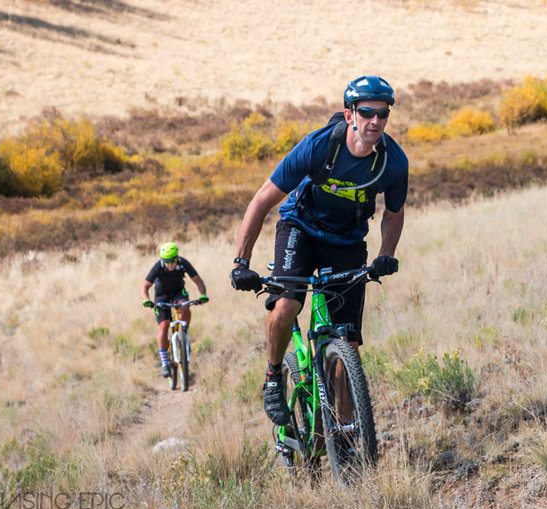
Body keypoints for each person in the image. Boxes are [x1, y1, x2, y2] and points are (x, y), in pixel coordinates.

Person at [230, 75, 408, 425]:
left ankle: (346, 433)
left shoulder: (393, 162)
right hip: (301, 228)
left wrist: (385, 254)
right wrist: (241, 261)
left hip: (346, 241)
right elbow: (263, 198)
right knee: (287, 304)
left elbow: (394, 212)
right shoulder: (319, 147)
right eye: (367, 112)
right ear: (349, 115)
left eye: (382, 114)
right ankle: (273, 375)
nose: (375, 121)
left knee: (348, 344)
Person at [142, 242, 208, 377]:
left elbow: (198, 280)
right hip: (162, 296)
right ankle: (165, 362)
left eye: (173, 260)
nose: (170, 263)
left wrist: (203, 295)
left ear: (177, 257)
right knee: (164, 326)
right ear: (162, 260)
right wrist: (147, 299)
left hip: (178, 292)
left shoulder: (183, 263)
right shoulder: (158, 267)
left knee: (185, 305)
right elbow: (145, 286)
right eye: (167, 261)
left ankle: (183, 331)